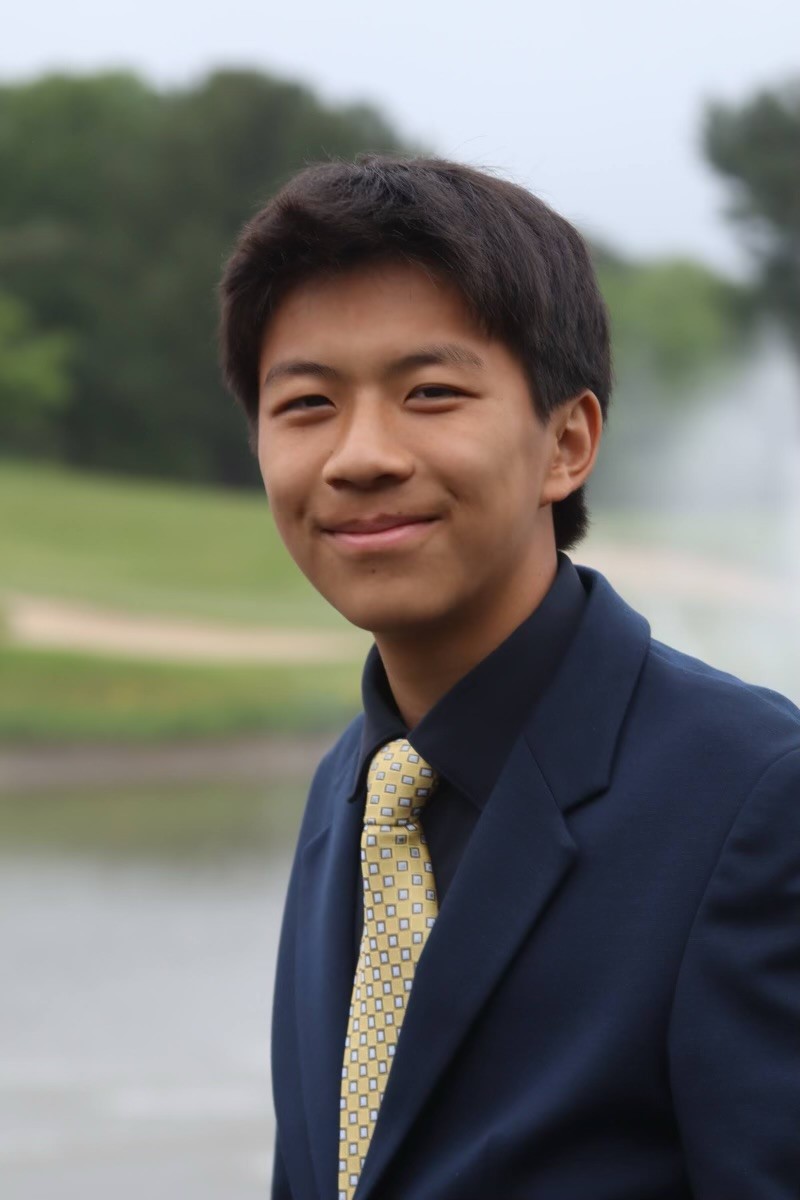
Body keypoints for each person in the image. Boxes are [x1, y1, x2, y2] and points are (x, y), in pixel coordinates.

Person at [218, 155, 800, 1200]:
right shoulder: (350, 793)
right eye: (306, 403)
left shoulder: (756, 798)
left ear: (566, 443)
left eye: (429, 394)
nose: (359, 456)